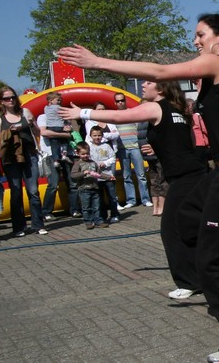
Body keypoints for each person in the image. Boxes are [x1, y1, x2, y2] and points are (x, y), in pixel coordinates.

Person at [60, 12, 219, 363]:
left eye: (201, 34)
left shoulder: (218, 63)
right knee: (185, 216)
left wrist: (96, 62)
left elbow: (160, 71)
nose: (196, 41)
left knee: (211, 261)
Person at [65, 80, 208, 297]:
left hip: (186, 178)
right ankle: (216, 273)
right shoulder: (176, 109)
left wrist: (83, 113)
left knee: (172, 230)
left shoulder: (157, 106)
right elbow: (179, 144)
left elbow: (120, 117)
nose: (143, 84)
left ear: (160, 88)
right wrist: (158, 148)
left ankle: (198, 280)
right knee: (193, 227)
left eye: (148, 81)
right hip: (191, 175)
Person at [0, 86, 47, 237]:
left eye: (13, 97)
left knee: (33, 191)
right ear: (1, 101)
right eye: (6, 98)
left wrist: (31, 124)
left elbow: (37, 132)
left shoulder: (25, 112)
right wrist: (10, 131)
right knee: (15, 192)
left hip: (29, 154)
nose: (10, 100)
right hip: (11, 157)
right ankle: (19, 227)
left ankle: (38, 224)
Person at [37, 92, 78, 220]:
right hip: (51, 154)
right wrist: (64, 135)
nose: (59, 102)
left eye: (60, 100)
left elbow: (70, 130)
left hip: (67, 153)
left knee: (72, 183)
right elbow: (45, 132)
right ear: (49, 102)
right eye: (57, 100)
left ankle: (75, 210)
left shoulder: (63, 115)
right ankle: (46, 212)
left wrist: (68, 130)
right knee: (53, 184)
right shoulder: (43, 117)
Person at [113, 92, 151, 208]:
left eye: (122, 100)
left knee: (141, 175)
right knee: (126, 176)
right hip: (122, 149)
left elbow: (140, 129)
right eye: (118, 101)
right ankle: (131, 200)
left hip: (135, 148)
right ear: (115, 103)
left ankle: (145, 199)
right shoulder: (113, 116)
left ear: (125, 101)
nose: (120, 103)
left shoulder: (132, 113)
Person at [86, 126, 121, 225]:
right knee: (99, 198)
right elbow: (87, 160)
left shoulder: (106, 146)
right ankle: (102, 216)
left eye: (99, 135)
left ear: (102, 136)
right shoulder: (89, 147)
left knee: (112, 196)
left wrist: (105, 163)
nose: (97, 137)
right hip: (96, 178)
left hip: (108, 175)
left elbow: (113, 158)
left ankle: (115, 214)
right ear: (91, 136)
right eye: (94, 135)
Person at [69, 142, 103, 229]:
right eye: (83, 154)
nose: (85, 156)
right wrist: (83, 173)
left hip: (94, 187)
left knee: (96, 206)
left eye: (87, 153)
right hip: (84, 188)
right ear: (78, 153)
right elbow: (73, 175)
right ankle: (88, 221)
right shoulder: (78, 164)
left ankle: (98, 221)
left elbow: (99, 174)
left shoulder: (93, 163)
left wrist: (109, 177)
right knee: (86, 207)